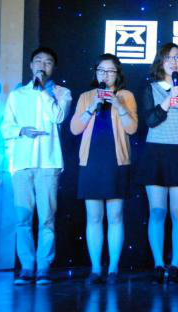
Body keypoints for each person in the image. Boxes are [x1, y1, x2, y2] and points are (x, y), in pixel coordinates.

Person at [1, 47, 72, 285]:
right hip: (22, 162)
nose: (42, 65)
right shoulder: (17, 95)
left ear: (53, 68)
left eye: (48, 62)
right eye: (38, 61)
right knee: (22, 217)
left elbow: (58, 117)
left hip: (49, 162)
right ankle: (26, 266)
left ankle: (43, 266)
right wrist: (21, 130)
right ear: (31, 65)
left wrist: (43, 92)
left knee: (46, 218)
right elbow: (5, 127)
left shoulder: (62, 93)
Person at [70, 54, 138, 285]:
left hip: (116, 161)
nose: (105, 75)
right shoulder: (86, 96)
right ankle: (96, 268)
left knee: (116, 216)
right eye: (101, 70)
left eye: (110, 71)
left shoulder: (126, 96)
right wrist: (92, 107)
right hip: (91, 161)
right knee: (94, 216)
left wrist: (117, 105)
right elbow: (75, 129)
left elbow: (132, 128)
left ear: (117, 74)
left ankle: (114, 269)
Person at [139, 43, 178, 284]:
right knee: (157, 211)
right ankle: (158, 263)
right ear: (160, 63)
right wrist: (169, 101)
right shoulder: (150, 88)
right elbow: (150, 121)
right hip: (156, 152)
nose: (174, 62)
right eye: (169, 58)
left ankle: (176, 265)